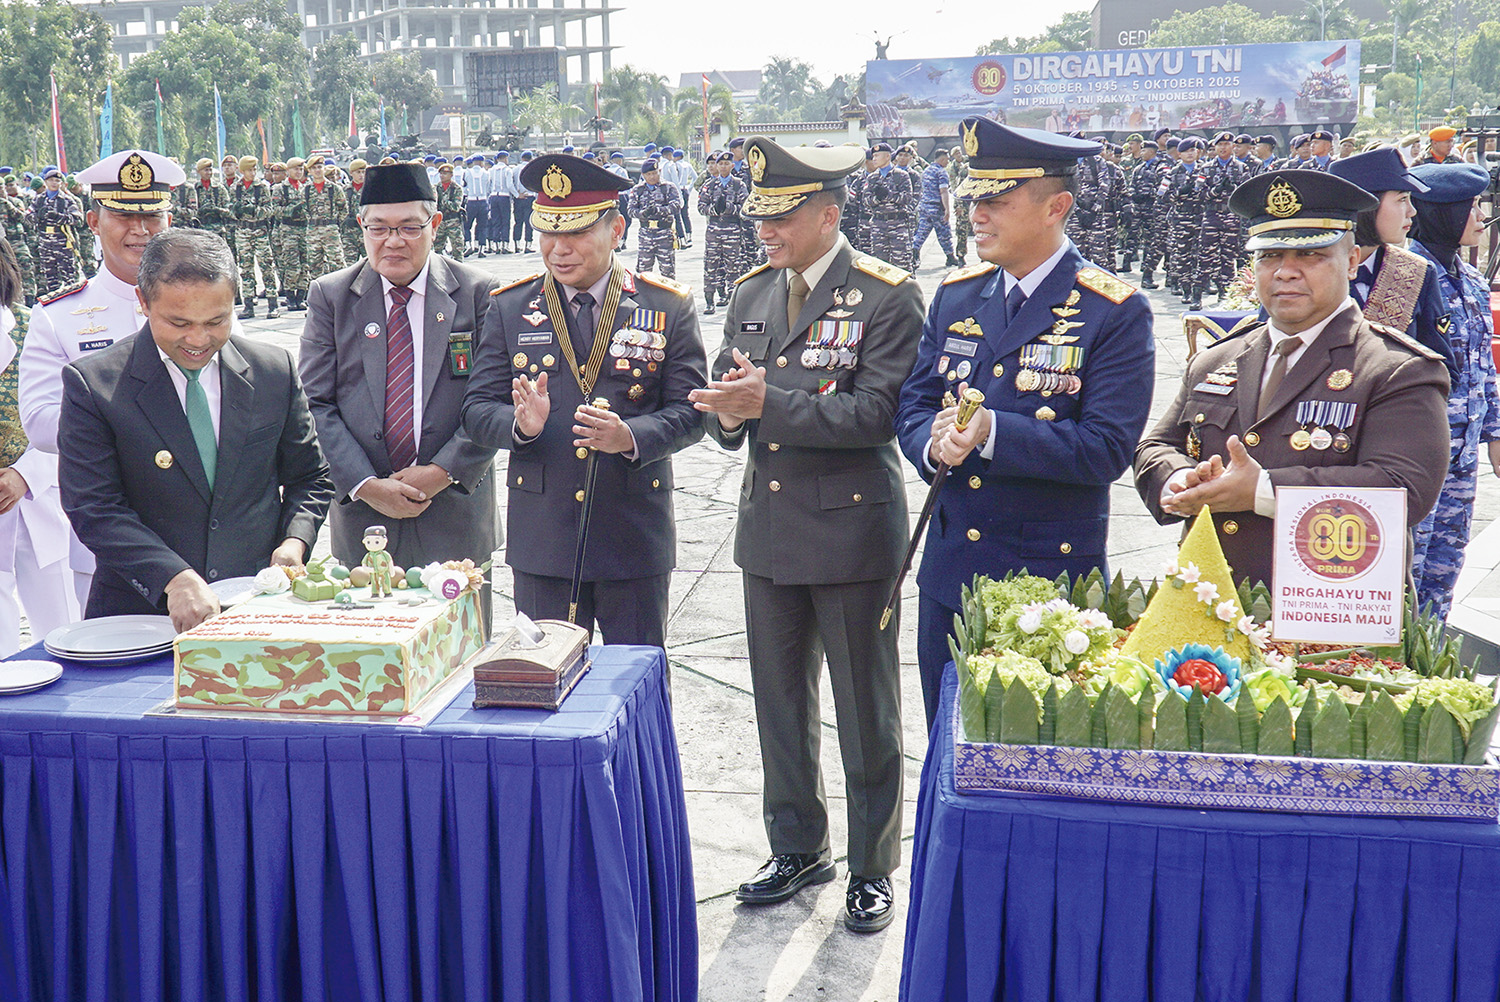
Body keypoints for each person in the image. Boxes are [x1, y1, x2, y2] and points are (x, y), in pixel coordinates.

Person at [689, 137, 922, 934]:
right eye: (760, 216)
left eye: (782, 217)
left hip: (853, 532)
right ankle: (797, 846)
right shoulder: (753, 292)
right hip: (771, 529)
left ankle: (871, 864)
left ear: (828, 213)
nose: (765, 231)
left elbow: (878, 415)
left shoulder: (888, 297)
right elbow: (736, 400)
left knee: (865, 708)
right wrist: (726, 413)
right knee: (779, 701)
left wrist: (765, 406)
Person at [894, 118, 1156, 728]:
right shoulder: (958, 295)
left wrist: (992, 434)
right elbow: (913, 403)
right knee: (946, 742)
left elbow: (1106, 449)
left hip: (1045, 585)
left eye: (996, 202)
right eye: (972, 201)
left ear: (1055, 207)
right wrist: (932, 446)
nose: (976, 216)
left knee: (1031, 749)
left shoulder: (1110, 310)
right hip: (952, 568)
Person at [1134, 170, 1452, 589]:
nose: (1285, 272)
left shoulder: (1395, 368)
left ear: (1353, 260)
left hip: (1332, 619)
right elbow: (1157, 446)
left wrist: (1263, 490)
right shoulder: (1217, 358)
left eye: (1310, 255)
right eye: (1269, 256)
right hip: (1211, 605)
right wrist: (1180, 478)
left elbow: (1403, 489)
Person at [461, 154, 707, 645]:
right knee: (543, 686)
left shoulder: (667, 305)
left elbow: (693, 411)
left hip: (632, 533)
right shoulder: (510, 306)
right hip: (545, 536)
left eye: (575, 233)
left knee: (635, 685)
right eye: (548, 233)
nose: (559, 249)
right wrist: (521, 426)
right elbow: (475, 410)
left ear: (616, 229)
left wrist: (630, 436)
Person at [57, 228, 332, 630]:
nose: (198, 339)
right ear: (143, 301)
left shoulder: (274, 371)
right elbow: (93, 507)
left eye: (217, 320)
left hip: (255, 606)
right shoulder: (96, 384)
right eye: (179, 322)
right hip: (141, 614)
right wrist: (173, 577)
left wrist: (296, 540)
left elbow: (310, 476)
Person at [299, 163, 501, 593]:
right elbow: (315, 404)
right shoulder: (331, 296)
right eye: (379, 228)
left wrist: (443, 471)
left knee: (463, 650)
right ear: (361, 227)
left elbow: (494, 398)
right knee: (370, 652)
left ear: (436, 225)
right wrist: (364, 483)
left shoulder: (477, 292)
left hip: (455, 512)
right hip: (365, 517)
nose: (393, 241)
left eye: (410, 227)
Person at [20, 149, 192, 613]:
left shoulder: (205, 303)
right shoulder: (59, 316)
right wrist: (136, 427)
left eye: (151, 214)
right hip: (109, 532)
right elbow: (38, 421)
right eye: (122, 215)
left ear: (169, 219)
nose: (139, 229)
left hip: (205, 524)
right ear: (93, 221)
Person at [1406, 163, 1500, 619]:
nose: (1482, 219)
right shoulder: (1404, 278)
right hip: (1418, 454)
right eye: (1473, 208)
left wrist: (1495, 436)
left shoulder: (1472, 281)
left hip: (1461, 460)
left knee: (1444, 570)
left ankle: (1430, 670)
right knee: (1407, 572)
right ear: (1443, 214)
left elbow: (1484, 369)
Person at [0, 237, 77, 653]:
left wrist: (24, 474)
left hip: (40, 492)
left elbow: (73, 419)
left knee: (61, 621)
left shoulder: (36, 326)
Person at [1327, 148, 1457, 374]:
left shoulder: (1418, 271)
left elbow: (1443, 369)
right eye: (1402, 199)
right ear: (1367, 206)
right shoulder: (1309, 270)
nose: (1412, 211)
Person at [697, 151, 747, 315]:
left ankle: (733, 300)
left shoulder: (739, 185)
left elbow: (746, 207)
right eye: (721, 164)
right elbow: (701, 207)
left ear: (732, 166)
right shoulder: (709, 185)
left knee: (733, 266)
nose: (724, 166)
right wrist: (714, 209)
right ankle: (710, 301)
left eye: (727, 163)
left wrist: (730, 208)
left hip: (732, 230)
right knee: (711, 265)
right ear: (717, 166)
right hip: (713, 230)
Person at [231, 157, 277, 319]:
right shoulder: (235, 188)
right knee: (246, 269)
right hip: (243, 232)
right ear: (242, 171)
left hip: (260, 231)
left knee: (266, 267)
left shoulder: (262, 186)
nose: (253, 172)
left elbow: (269, 210)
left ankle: (273, 304)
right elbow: (230, 211)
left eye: (254, 169)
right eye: (249, 170)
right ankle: (248, 305)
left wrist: (253, 211)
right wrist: (235, 211)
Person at [31, 167, 85, 299]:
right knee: (51, 280)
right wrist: (37, 217)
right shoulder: (39, 200)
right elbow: (26, 217)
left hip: (63, 244)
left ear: (61, 183)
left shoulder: (67, 200)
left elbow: (78, 220)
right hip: (45, 244)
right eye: (51, 180)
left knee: (69, 279)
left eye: (57, 180)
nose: (54, 183)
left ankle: (71, 304)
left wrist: (60, 217)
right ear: (46, 182)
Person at [301, 155, 347, 290]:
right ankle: (317, 301)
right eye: (314, 168)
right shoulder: (306, 190)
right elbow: (305, 210)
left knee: (337, 265)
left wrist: (335, 224)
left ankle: (341, 298)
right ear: (309, 171)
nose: (317, 170)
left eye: (320, 167)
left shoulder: (334, 188)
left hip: (330, 231)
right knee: (314, 267)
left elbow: (343, 209)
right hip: (313, 232)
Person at [911, 147, 958, 267]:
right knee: (944, 232)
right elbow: (943, 191)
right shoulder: (941, 172)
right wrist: (947, 209)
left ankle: (914, 251)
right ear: (942, 159)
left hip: (924, 206)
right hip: (937, 208)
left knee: (921, 231)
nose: (948, 162)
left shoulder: (926, 171)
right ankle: (950, 256)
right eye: (947, 159)